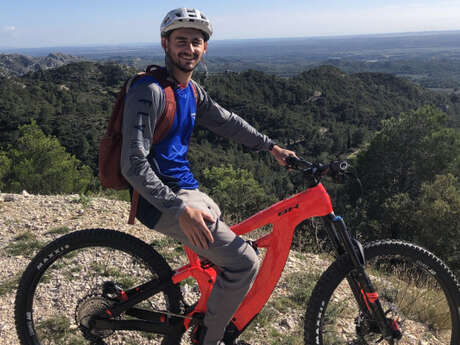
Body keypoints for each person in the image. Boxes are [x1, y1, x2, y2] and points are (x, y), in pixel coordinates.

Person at [120, 7, 296, 345]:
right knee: (244, 263)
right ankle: (208, 338)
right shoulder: (149, 91)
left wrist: (271, 148)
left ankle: (204, 310)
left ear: (204, 48)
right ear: (165, 44)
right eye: (181, 41)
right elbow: (133, 164)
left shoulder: (191, 91)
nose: (189, 48)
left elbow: (228, 122)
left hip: (187, 191)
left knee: (231, 247)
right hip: (159, 201)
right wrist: (179, 210)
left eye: (196, 42)